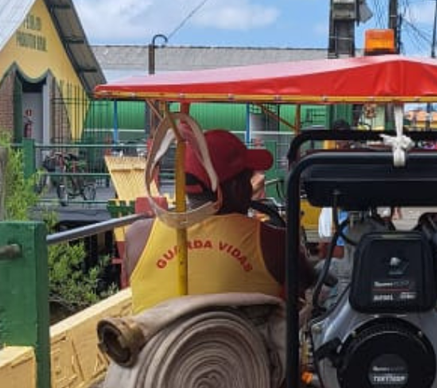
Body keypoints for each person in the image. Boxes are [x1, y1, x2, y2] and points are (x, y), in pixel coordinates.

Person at [123, 129, 311, 313]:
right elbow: (309, 289)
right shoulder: (275, 243)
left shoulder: (138, 236)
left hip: (158, 343)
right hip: (242, 343)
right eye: (248, 180)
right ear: (238, 187)